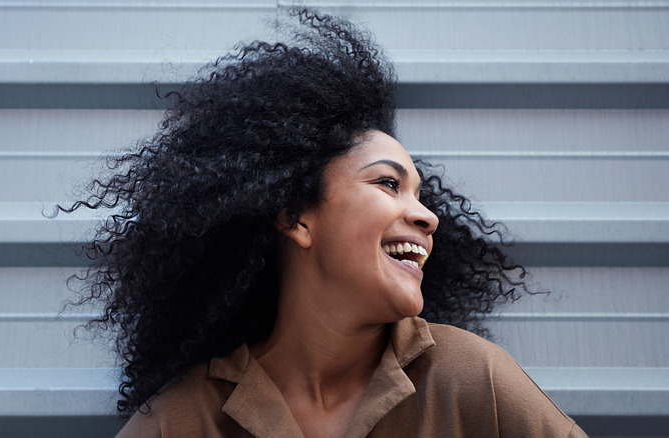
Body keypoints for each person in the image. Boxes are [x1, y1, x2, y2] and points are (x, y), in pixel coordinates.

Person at [62, 8, 587, 437]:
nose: (427, 217)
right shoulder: (186, 418)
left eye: (421, 194)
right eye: (388, 183)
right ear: (295, 216)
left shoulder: (470, 381)